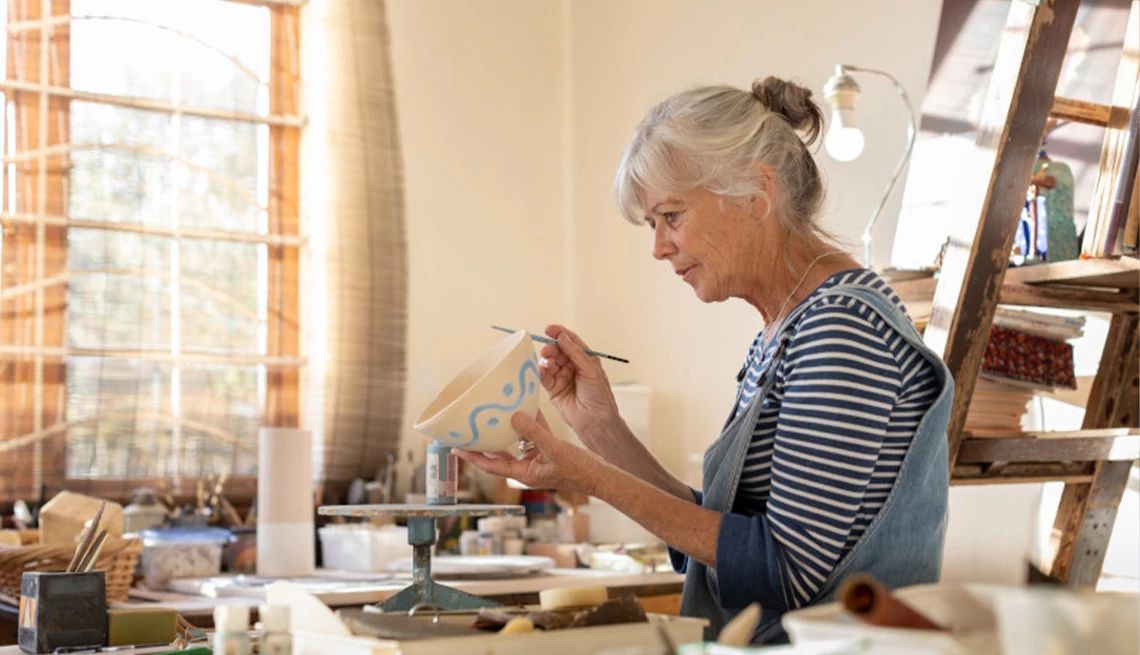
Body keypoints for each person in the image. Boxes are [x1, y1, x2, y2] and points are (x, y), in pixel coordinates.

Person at [455, 76, 954, 644]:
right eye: (653, 225)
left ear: (755, 192)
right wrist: (600, 430)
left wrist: (586, 475)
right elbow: (719, 544)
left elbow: (781, 570)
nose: (659, 247)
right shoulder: (789, 326)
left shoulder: (840, 328)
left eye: (671, 216)